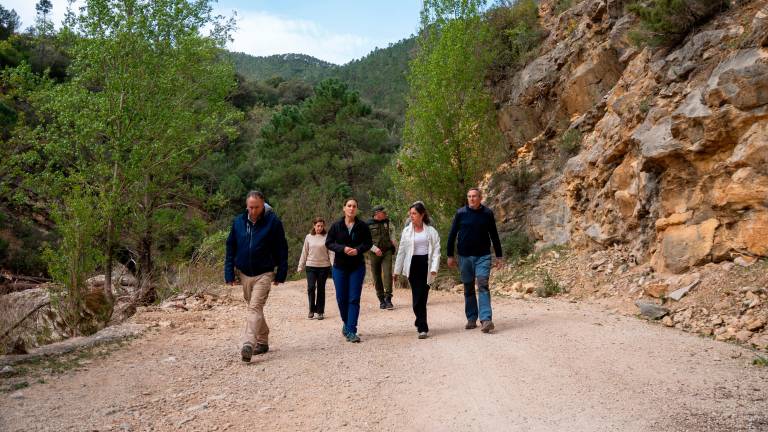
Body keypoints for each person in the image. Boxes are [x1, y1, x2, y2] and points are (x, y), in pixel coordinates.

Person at [225, 191, 288, 362]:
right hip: (244, 273)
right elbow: (231, 247)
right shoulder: (238, 221)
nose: (253, 211)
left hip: (264, 273)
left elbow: (282, 248)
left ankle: (248, 344)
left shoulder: (273, 222)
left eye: (256, 207)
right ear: (247, 206)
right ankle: (263, 339)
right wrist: (229, 272)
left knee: (254, 307)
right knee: (255, 308)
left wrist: (281, 272)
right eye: (250, 207)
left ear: (263, 205)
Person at [447, 188, 503, 334]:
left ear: (480, 198)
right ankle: (471, 317)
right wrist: (450, 256)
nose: (471, 199)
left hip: (483, 256)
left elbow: (494, 235)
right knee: (468, 287)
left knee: (483, 284)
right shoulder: (461, 213)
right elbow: (452, 235)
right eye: (469, 196)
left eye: (474, 196)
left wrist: (499, 256)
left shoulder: (487, 213)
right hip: (464, 256)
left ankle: (486, 319)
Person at [325, 198, 373, 343]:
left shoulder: (363, 226)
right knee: (341, 299)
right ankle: (346, 323)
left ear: (356, 209)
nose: (351, 208)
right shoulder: (336, 226)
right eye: (349, 206)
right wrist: (343, 249)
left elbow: (368, 243)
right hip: (339, 267)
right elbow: (329, 243)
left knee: (353, 299)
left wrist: (358, 250)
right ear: (344, 208)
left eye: (354, 206)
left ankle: (351, 330)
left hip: (357, 267)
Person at [394, 201, 440, 339]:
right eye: (410, 214)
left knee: (423, 296)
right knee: (416, 297)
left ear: (422, 215)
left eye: (414, 213)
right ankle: (421, 323)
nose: (411, 216)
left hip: (425, 264)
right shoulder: (407, 231)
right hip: (412, 265)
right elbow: (401, 251)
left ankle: (421, 324)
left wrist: (434, 268)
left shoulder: (431, 231)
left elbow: (437, 250)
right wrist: (396, 271)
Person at [297, 217, 334, 320]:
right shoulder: (308, 237)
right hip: (310, 266)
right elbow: (304, 252)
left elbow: (331, 252)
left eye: (322, 226)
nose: (320, 228)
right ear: (314, 226)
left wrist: (333, 264)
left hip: (324, 267)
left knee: (321, 289)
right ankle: (311, 310)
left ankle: (320, 311)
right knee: (311, 288)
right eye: (318, 226)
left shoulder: (327, 237)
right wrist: (300, 266)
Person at [367, 205, 397, 310]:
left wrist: (393, 240)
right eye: (383, 212)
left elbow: (393, 230)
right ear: (377, 213)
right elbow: (365, 240)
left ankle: (388, 298)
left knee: (388, 274)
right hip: (374, 252)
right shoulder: (368, 224)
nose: (385, 214)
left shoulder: (387, 222)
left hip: (387, 251)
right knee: (376, 276)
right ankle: (381, 299)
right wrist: (375, 249)